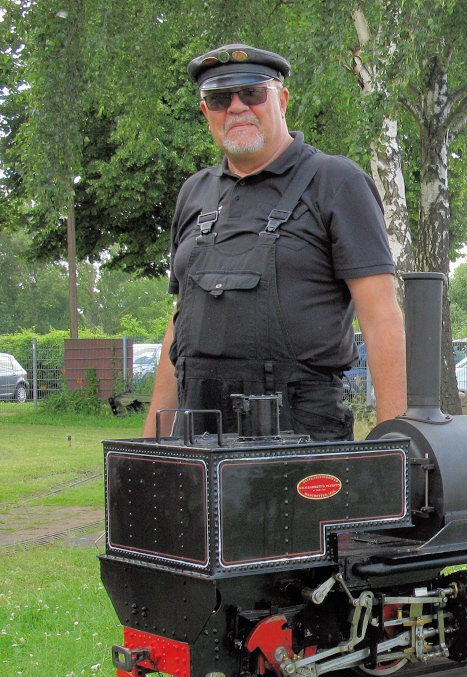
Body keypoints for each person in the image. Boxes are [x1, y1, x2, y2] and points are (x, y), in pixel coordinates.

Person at [143, 43, 406, 441]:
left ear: (281, 100)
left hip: (301, 436)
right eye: (219, 99)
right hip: (197, 435)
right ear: (206, 112)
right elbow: (177, 328)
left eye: (251, 93)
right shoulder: (194, 193)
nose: (236, 108)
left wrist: (393, 446)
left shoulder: (337, 182)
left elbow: (381, 318)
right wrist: (152, 444)